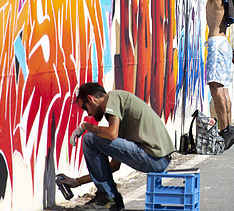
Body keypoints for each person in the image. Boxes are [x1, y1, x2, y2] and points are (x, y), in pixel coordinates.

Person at [58, 83, 175, 211]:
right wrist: (77, 181)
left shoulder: (113, 97)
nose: (89, 114)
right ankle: (113, 200)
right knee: (93, 139)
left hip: (153, 157)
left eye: (85, 108)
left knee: (89, 139)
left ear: (91, 99)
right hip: (157, 159)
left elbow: (112, 134)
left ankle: (107, 198)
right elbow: (114, 166)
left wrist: (85, 127)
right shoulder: (119, 114)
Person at [184, 0, 234, 148]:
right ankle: (229, 129)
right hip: (224, 43)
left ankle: (224, 131)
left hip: (216, 45)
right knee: (223, 88)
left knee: (215, 88)